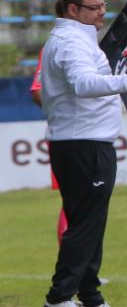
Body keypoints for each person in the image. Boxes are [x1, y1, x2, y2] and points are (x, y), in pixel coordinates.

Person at [40, 0, 127, 307]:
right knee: (85, 224)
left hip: (86, 141)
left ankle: (90, 297)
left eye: (104, 6)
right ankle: (60, 296)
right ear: (74, 10)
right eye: (95, 8)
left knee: (89, 222)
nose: (103, 13)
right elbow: (83, 83)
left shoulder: (77, 38)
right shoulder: (69, 41)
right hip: (83, 143)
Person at [30, 48, 68, 245]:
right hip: (69, 138)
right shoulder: (54, 47)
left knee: (88, 205)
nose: (102, 14)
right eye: (94, 12)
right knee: (73, 202)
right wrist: (63, 115)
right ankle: (74, 268)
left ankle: (85, 270)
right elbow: (37, 90)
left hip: (91, 137)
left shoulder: (92, 46)